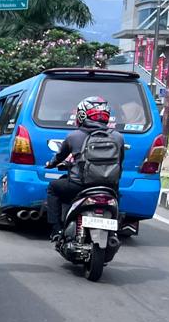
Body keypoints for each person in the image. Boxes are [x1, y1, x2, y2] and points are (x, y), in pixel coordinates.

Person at [44, 96, 126, 241]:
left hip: (79, 186)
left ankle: (56, 230)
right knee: (117, 196)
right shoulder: (118, 137)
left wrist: (50, 165)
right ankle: (114, 231)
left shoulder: (74, 136)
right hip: (108, 187)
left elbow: (59, 158)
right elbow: (120, 161)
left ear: (82, 115)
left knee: (53, 188)